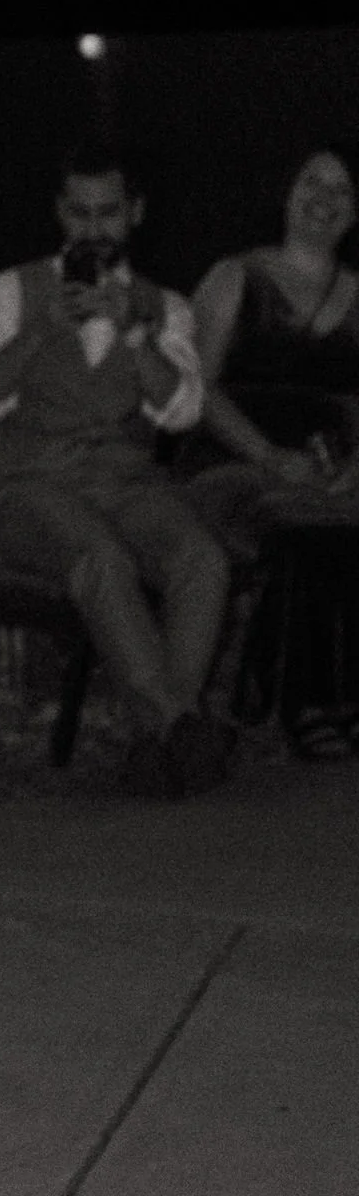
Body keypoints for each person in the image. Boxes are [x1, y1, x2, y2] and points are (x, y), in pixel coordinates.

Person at [0, 147, 231, 795]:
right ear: (60, 213)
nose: (93, 228)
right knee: (101, 559)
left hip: (127, 483)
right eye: (80, 213)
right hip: (33, 486)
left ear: (134, 214)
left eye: (108, 213)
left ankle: (158, 743)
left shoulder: (164, 306)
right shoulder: (11, 291)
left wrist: (135, 335)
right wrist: (41, 332)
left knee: (202, 559)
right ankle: (180, 727)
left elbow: (183, 411)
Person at [177, 147, 359, 751]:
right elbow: (197, 390)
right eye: (312, 182)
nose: (324, 199)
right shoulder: (236, 278)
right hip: (231, 461)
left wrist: (354, 467)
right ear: (287, 192)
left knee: (332, 511)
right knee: (300, 517)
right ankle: (307, 698)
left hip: (327, 471)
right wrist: (268, 457)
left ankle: (315, 687)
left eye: (341, 189)